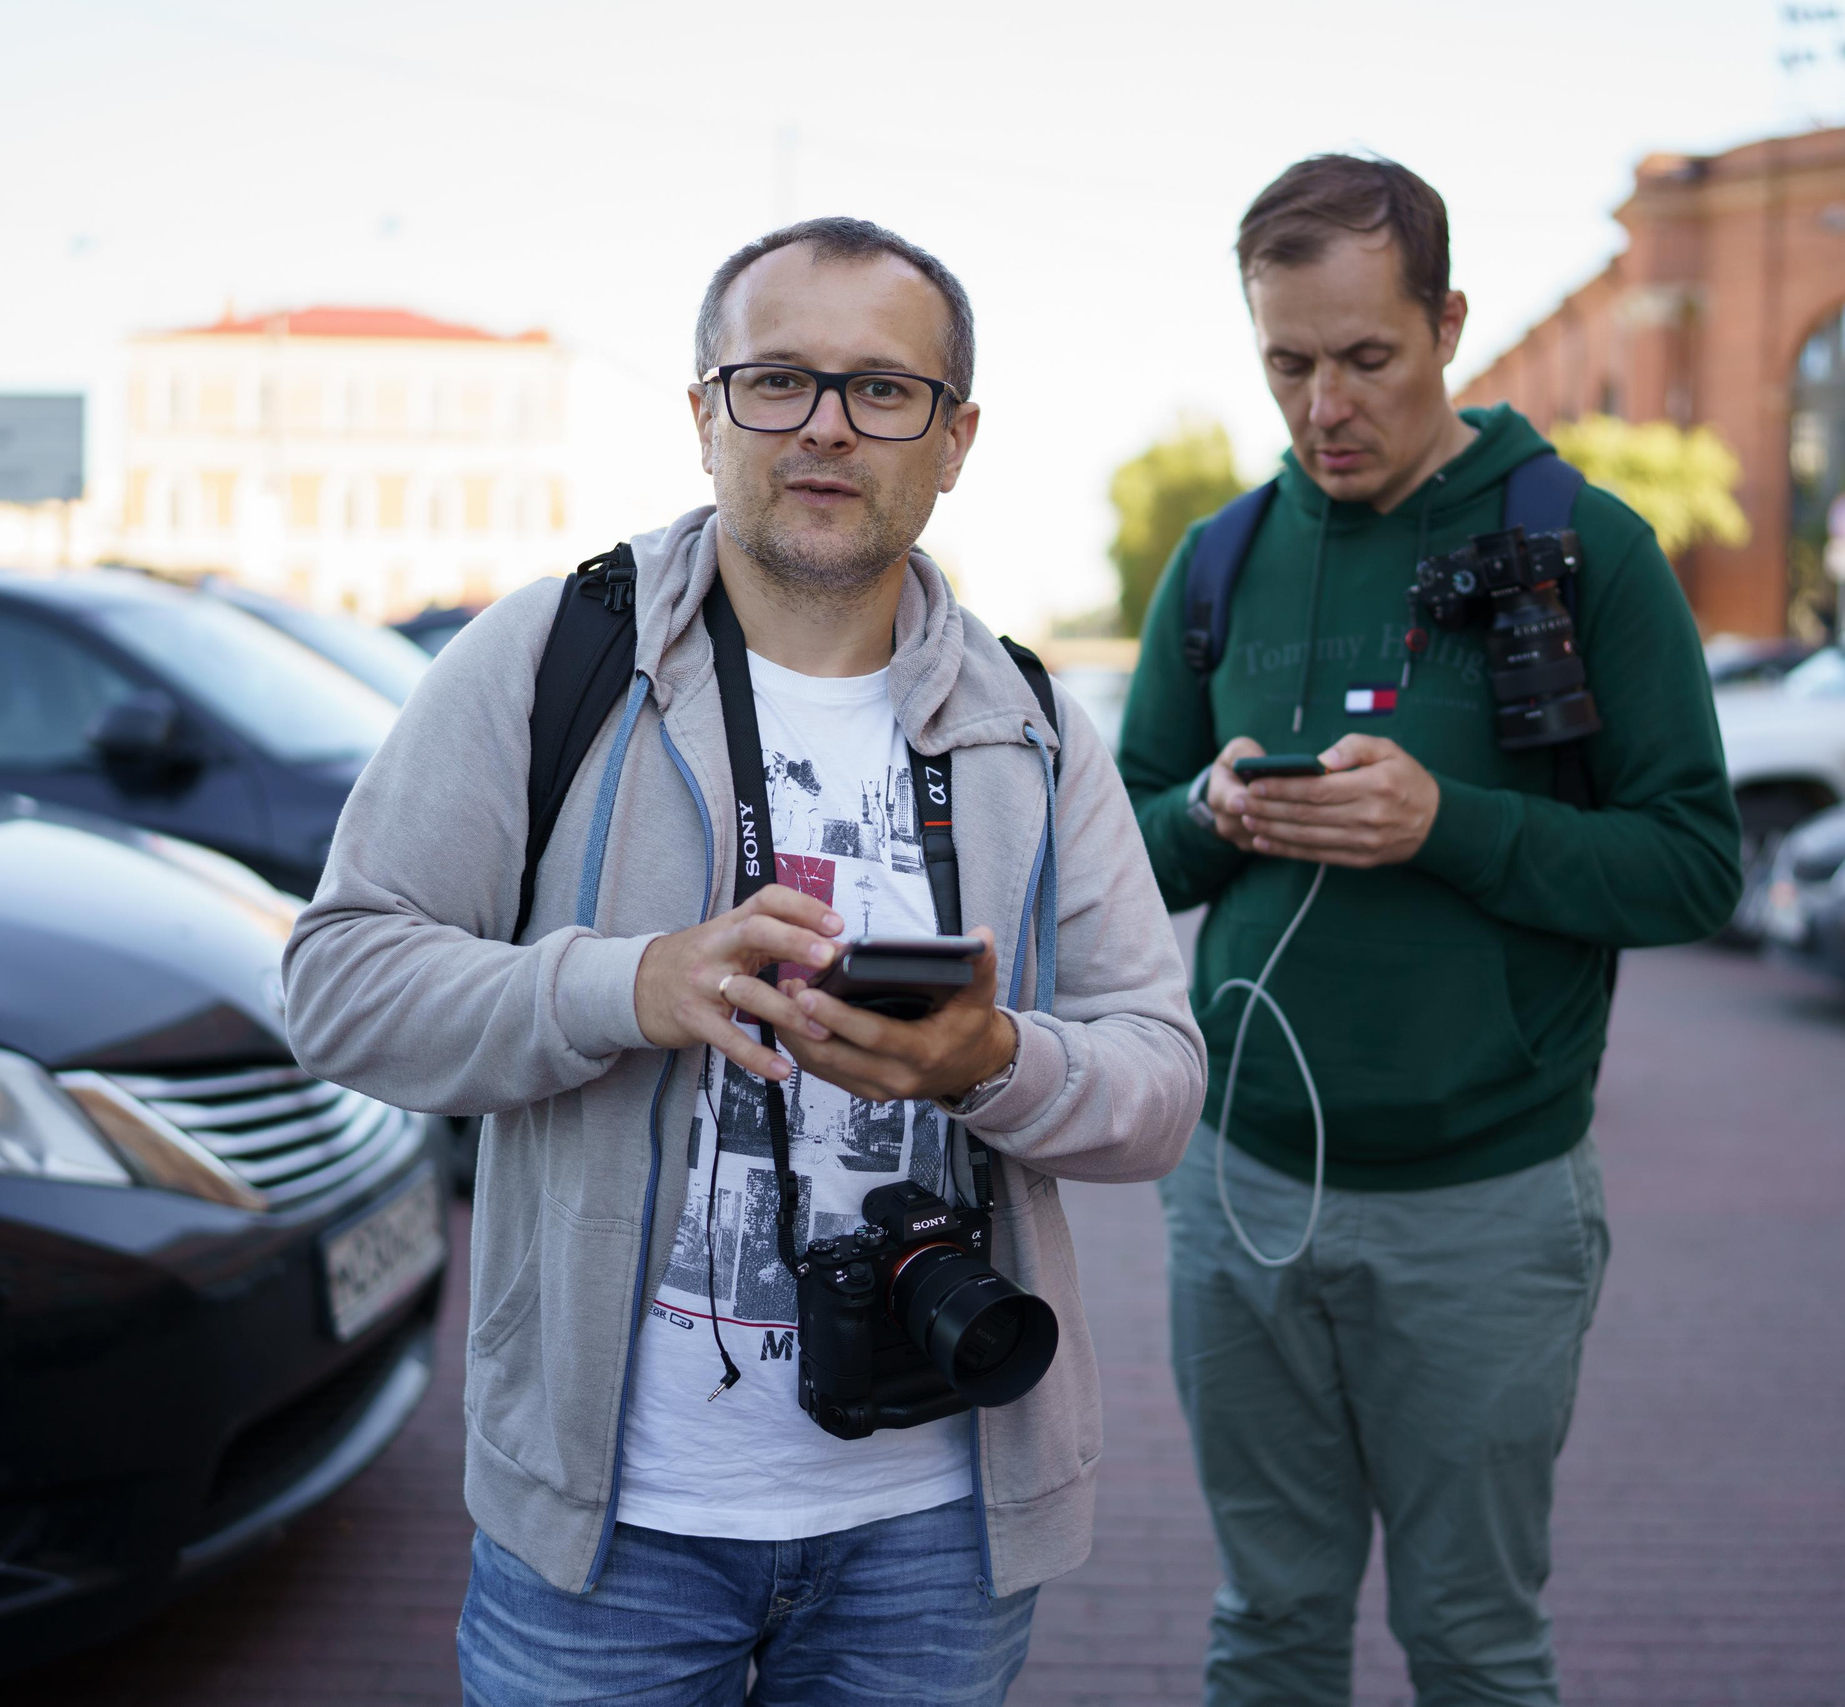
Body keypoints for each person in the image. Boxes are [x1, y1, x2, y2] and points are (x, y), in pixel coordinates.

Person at [285, 216, 1205, 1706]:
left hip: (940, 1528)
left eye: (882, 389)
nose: (826, 425)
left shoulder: (1030, 725)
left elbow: (1160, 1085)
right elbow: (337, 986)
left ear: (956, 439)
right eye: (777, 379)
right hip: (609, 1536)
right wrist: (629, 985)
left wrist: (993, 1063)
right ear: (704, 414)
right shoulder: (553, 657)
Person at [1115, 156, 1741, 1705]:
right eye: (1287, 363)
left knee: (1472, 1641)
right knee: (1267, 1625)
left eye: (1366, 357)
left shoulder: (1590, 546)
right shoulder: (1219, 559)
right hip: (1242, 1188)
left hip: (1486, 1203)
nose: (1324, 406)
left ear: (1449, 325)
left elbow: (1693, 866)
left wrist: (1446, 824)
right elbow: (1117, 850)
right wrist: (1208, 813)